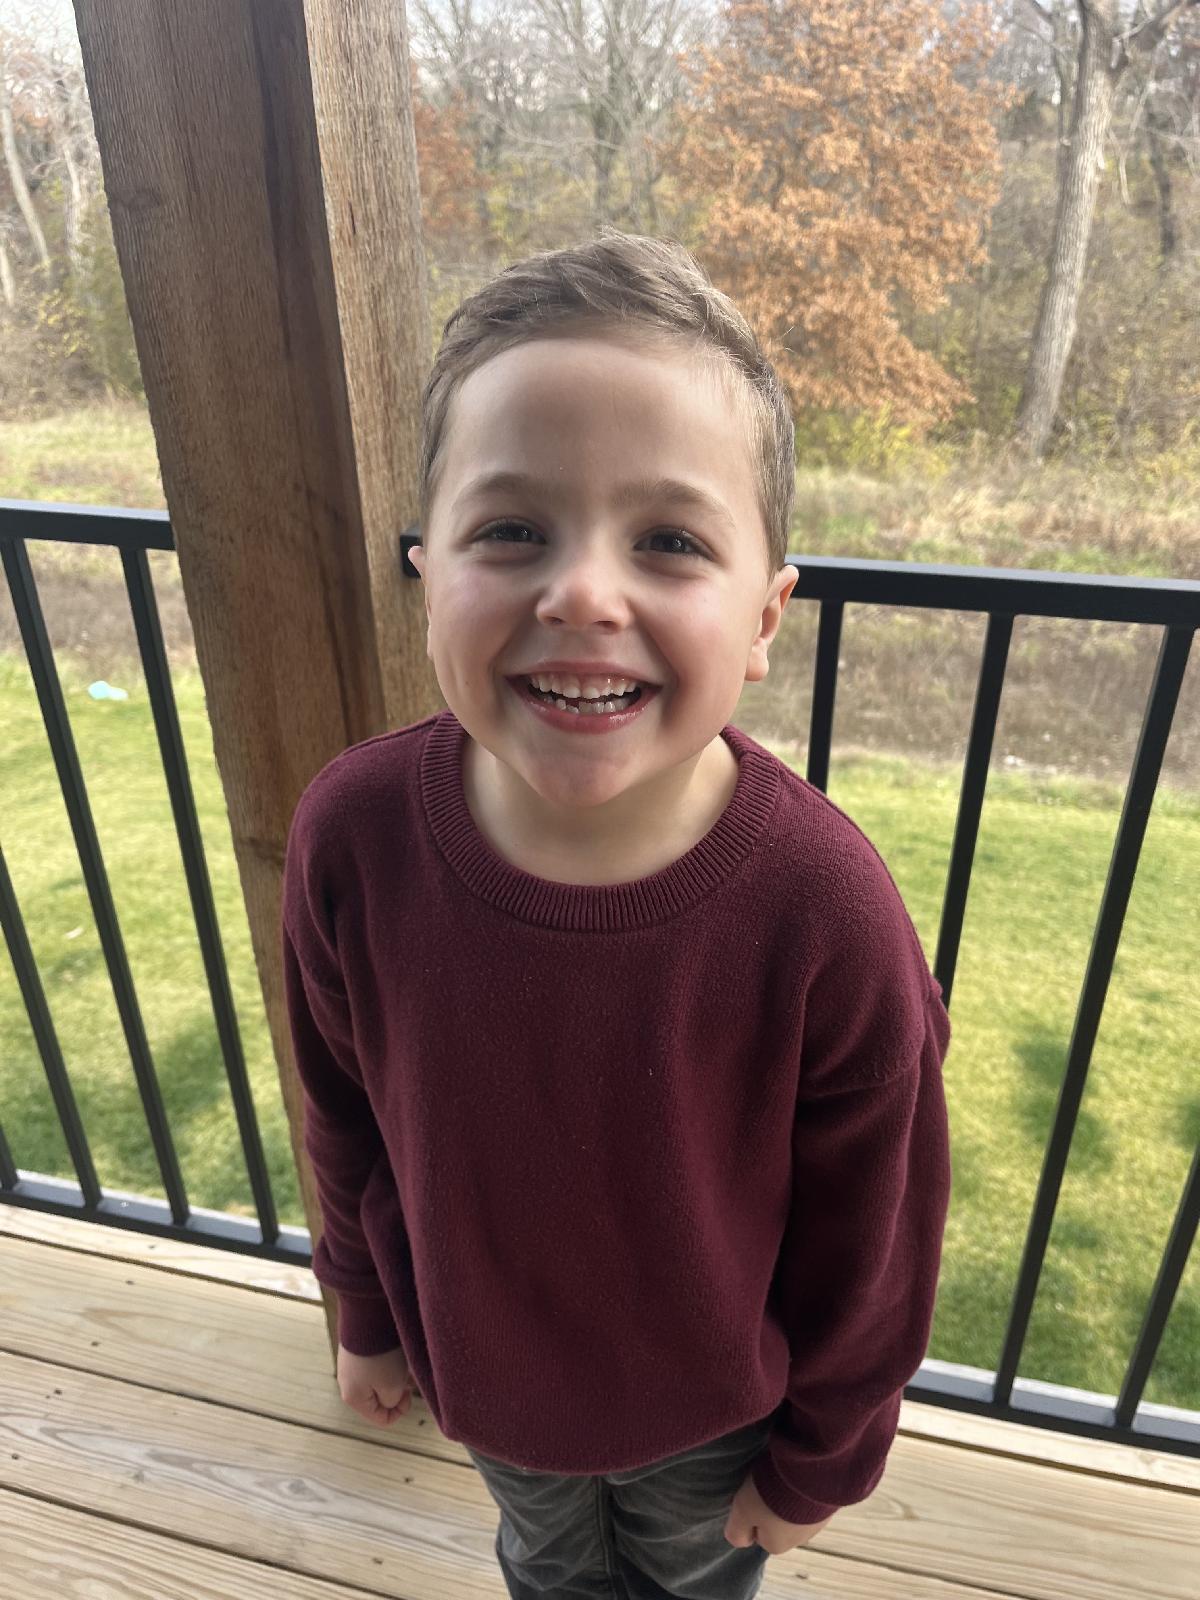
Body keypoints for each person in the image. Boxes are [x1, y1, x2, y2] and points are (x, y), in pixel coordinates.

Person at [281, 230, 953, 1600]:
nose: (584, 591)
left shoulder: (825, 911)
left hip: (716, 1430)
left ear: (764, 617)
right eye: (511, 529)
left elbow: (876, 1236)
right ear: (427, 569)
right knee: (544, 1569)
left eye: (669, 540)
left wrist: (824, 1458)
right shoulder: (352, 838)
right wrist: (363, 1307)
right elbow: (340, 1110)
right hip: (490, 1397)